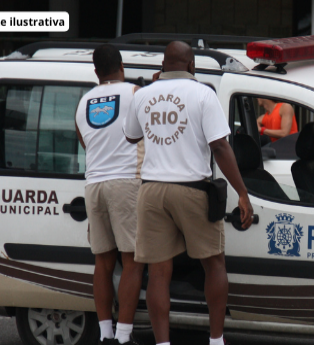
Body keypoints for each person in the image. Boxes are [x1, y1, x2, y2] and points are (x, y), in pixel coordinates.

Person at [124, 41, 253, 345]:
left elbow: (131, 137)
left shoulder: (142, 95)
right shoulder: (203, 94)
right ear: (191, 66)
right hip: (192, 189)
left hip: (152, 191)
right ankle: (216, 340)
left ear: (163, 66)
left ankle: (163, 343)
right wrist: (242, 193)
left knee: (158, 273)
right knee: (214, 263)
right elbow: (220, 146)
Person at [74, 44, 145, 345]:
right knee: (133, 261)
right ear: (122, 66)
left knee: (102, 264)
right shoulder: (135, 94)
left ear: (96, 72)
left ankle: (105, 335)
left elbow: (85, 144)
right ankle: (124, 336)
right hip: (126, 182)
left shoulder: (83, 102)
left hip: (94, 185)